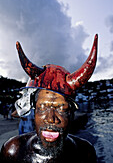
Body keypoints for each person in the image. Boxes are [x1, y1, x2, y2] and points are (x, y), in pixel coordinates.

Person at [0, 34, 98, 162]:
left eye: (61, 109)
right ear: (34, 110)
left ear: (71, 113)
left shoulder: (85, 153)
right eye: (42, 107)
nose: (51, 119)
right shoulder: (13, 151)